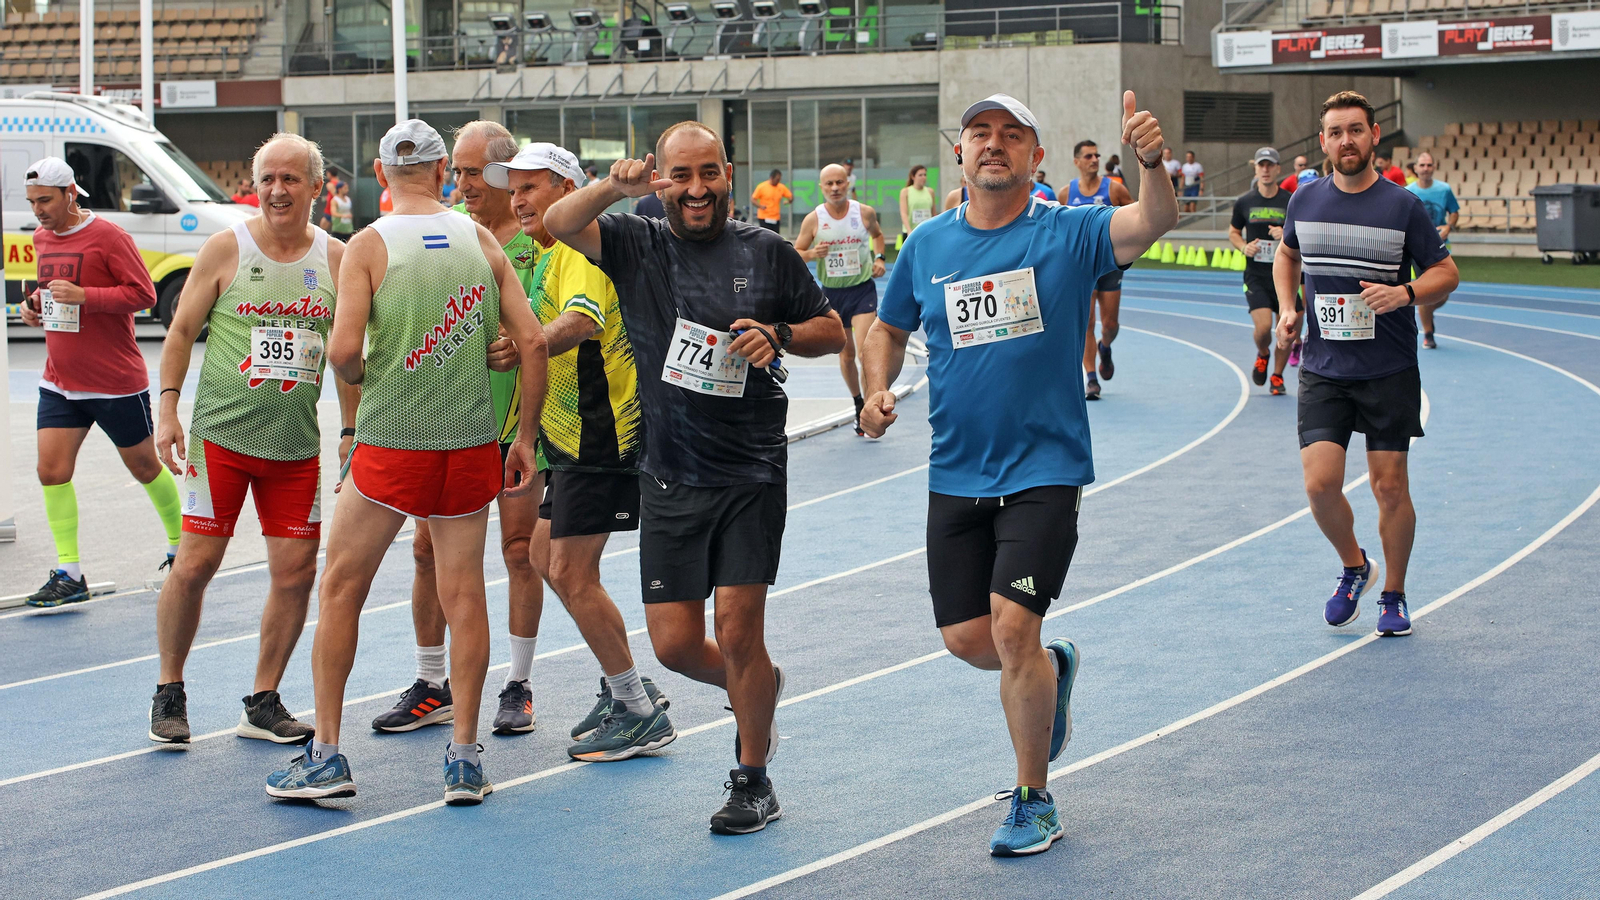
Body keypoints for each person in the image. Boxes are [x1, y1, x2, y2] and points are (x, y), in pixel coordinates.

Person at [860, 90, 1176, 857]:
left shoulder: (1068, 231)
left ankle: (1035, 797)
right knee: (969, 640)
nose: (993, 144)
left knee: (1010, 629)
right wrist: (874, 386)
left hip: (1044, 467)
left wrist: (1152, 164)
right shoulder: (928, 245)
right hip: (955, 472)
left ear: (1037, 157)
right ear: (959, 154)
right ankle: (1053, 667)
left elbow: (1151, 222)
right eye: (979, 133)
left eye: (1012, 135)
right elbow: (888, 326)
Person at [543, 120, 844, 835]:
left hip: (750, 471)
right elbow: (557, 222)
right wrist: (612, 187)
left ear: (728, 174)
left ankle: (752, 778)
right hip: (669, 475)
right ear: (661, 181)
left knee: (738, 629)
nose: (697, 189)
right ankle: (758, 692)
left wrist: (781, 336)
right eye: (681, 176)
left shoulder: (766, 252)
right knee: (676, 647)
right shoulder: (636, 242)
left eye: (708, 173)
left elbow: (830, 327)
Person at [264, 120, 548, 805]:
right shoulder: (481, 239)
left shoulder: (368, 243)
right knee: (466, 595)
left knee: (340, 590)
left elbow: (340, 353)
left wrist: (371, 374)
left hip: (393, 445)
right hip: (468, 444)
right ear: (445, 167)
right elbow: (532, 342)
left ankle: (328, 754)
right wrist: (526, 440)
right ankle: (464, 758)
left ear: (379, 169)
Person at [149, 134, 356, 745]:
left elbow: (348, 356)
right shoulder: (225, 249)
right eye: (267, 178)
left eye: (291, 179)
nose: (276, 190)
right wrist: (167, 410)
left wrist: (349, 430)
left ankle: (262, 700)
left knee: (295, 575)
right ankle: (170, 688)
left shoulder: (339, 259)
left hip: (294, 449)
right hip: (221, 442)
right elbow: (181, 332)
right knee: (194, 565)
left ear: (318, 187)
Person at [485, 142, 677, 761]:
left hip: (603, 434)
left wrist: (528, 341)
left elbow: (584, 320)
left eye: (531, 188)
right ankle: (627, 687)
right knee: (546, 558)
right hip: (568, 440)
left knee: (569, 569)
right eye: (512, 189)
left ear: (567, 189)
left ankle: (638, 707)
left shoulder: (579, 248)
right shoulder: (544, 256)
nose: (518, 200)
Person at [367, 121, 547, 740]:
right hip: (450, 423)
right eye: (460, 171)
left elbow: (550, 326)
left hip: (521, 423)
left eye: (477, 173)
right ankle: (431, 683)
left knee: (519, 552)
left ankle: (518, 684)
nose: (466, 184)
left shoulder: (531, 239)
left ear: (503, 174)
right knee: (425, 553)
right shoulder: (440, 237)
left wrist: (524, 342)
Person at [1273, 91, 1459, 640]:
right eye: (1335, 132)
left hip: (1387, 368)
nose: (1345, 140)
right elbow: (1287, 254)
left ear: (1375, 136)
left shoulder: (1401, 205)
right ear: (1323, 140)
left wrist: (1404, 293)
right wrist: (1288, 306)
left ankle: (1394, 594)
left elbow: (1445, 273)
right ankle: (1355, 566)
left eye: (1356, 130)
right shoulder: (1304, 201)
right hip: (1325, 365)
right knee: (1320, 485)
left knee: (1390, 487)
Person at [19, 157, 184, 608]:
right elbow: (49, 289)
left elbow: (144, 295)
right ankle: (70, 573)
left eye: (46, 201)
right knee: (50, 472)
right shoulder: (41, 238)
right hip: (60, 381)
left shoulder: (109, 237)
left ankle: (180, 546)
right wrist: (34, 306)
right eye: (32, 202)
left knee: (145, 468)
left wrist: (86, 297)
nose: (39, 211)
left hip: (113, 382)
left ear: (71, 193)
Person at [794, 164, 887, 435]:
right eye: (829, 184)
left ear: (848, 184)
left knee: (865, 349)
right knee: (846, 355)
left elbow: (879, 237)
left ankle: (871, 407)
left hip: (861, 289)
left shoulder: (864, 212)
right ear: (821, 188)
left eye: (839, 182)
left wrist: (879, 258)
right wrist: (812, 254)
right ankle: (858, 402)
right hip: (832, 293)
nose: (835, 188)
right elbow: (796, 252)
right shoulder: (814, 219)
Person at [1065, 139, 1132, 402]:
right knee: (1087, 323)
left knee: (1110, 325)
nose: (1094, 160)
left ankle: (1106, 347)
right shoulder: (1066, 193)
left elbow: (1138, 217)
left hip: (1110, 266)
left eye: (1097, 155)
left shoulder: (1115, 189)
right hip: (1083, 266)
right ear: (1077, 162)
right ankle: (1091, 379)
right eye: (1088, 156)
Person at [1228, 147, 1296, 396]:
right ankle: (1263, 353)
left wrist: (1285, 233)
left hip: (1285, 275)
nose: (1265, 170)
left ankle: (1277, 376)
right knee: (1263, 328)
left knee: (1287, 330)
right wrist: (1243, 247)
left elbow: (1301, 233)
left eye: (1270, 165)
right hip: (1256, 275)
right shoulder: (1245, 201)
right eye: (1261, 165)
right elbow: (1233, 232)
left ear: (1278, 168)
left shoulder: (1290, 201)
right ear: (1256, 169)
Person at [1406, 151, 1459, 350]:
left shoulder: (1444, 189)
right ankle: (1428, 333)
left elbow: (1454, 212)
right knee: (1425, 290)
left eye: (1429, 165)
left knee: (1443, 291)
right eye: (1422, 165)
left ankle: (1426, 309)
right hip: (1416, 250)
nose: (1426, 169)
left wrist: (1448, 227)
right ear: (1416, 168)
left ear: (1434, 167)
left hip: (1441, 246)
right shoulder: (1408, 191)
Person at [898, 164, 936, 249]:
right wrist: (909, 230)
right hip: (911, 231)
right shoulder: (905, 192)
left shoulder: (930, 191)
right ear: (913, 177)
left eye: (925, 175)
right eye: (920, 175)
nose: (923, 177)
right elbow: (903, 213)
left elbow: (933, 213)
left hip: (927, 232)